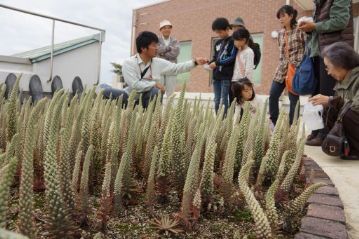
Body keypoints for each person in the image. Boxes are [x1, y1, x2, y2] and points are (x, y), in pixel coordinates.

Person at [299, 0, 354, 145]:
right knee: (316, 92)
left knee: (327, 92)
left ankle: (326, 133)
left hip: (335, 52)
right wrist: (310, 28)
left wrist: (314, 26)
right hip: (320, 51)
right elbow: (319, 27)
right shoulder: (319, 3)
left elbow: (340, 21)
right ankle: (316, 129)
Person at [122, 31, 207, 108]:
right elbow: (135, 85)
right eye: (154, 45)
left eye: (157, 45)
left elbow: (176, 68)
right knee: (109, 92)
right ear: (143, 48)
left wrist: (194, 62)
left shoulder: (158, 62)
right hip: (129, 98)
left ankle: (152, 120)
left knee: (155, 91)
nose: (157, 48)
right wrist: (154, 84)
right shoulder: (129, 63)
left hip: (147, 98)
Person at [309, 42, 359, 160]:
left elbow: (356, 107)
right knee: (329, 109)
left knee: (347, 114)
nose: (328, 72)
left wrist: (332, 100)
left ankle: (356, 149)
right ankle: (347, 146)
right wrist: (330, 103)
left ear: (340, 64)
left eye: (328, 66)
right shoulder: (342, 79)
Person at [269, 5, 305, 126]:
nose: (280, 19)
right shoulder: (280, 34)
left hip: (295, 69)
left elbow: (307, 50)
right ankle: (275, 123)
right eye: (279, 17)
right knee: (273, 95)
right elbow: (281, 54)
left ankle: (292, 128)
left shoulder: (301, 30)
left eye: (283, 16)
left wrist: (301, 67)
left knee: (293, 100)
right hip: (282, 68)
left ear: (291, 16)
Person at [209, 17, 237, 114]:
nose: (219, 34)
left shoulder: (233, 41)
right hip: (216, 76)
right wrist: (209, 62)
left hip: (226, 77)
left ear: (227, 29)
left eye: (220, 32)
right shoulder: (217, 42)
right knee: (216, 100)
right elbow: (215, 57)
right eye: (217, 32)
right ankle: (218, 121)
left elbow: (231, 57)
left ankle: (224, 121)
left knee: (223, 100)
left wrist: (217, 63)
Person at [157, 20, 180, 97]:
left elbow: (175, 54)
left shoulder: (175, 41)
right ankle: (158, 109)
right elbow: (157, 50)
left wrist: (162, 53)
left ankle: (169, 109)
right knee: (159, 92)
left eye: (169, 28)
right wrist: (169, 48)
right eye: (164, 28)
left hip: (171, 68)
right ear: (160, 30)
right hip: (159, 69)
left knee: (170, 94)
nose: (167, 29)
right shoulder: (156, 40)